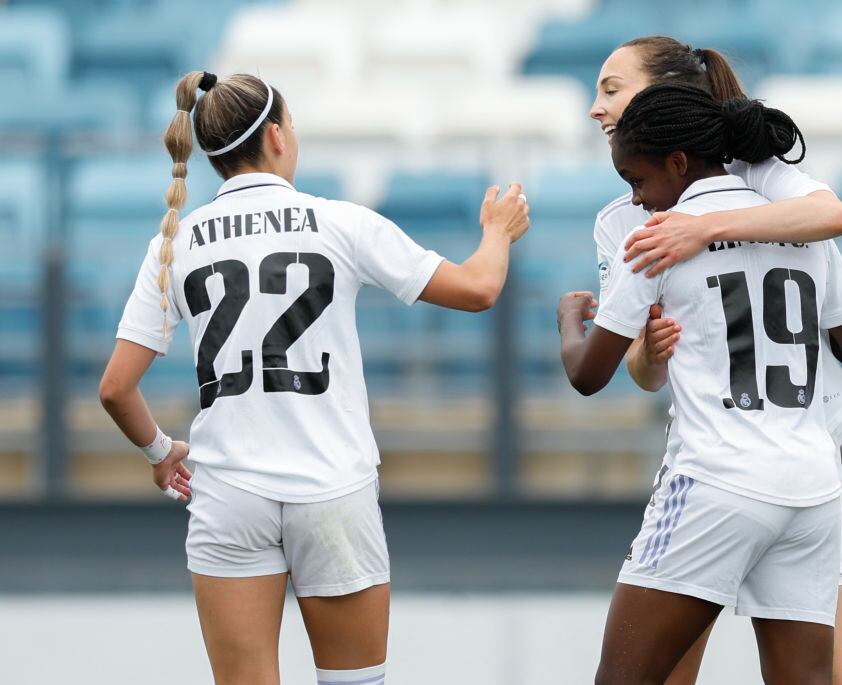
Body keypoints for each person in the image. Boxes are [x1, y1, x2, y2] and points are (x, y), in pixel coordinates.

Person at [97, 71, 529, 685]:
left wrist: (160, 453)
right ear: (276, 137)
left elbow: (116, 388)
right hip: (333, 490)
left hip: (227, 496)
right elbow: (479, 288)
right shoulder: (339, 222)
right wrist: (497, 232)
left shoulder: (175, 242)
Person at [557, 82, 842, 684]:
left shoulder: (657, 236)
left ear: (678, 163)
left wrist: (567, 324)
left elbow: (588, 374)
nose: (636, 199)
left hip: (716, 479)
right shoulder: (800, 228)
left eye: (636, 181)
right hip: (811, 489)